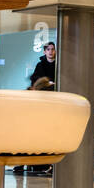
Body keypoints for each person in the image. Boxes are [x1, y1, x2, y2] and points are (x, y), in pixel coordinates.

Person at [16, 42, 58, 176]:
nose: (51, 52)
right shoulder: (40, 66)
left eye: (52, 49)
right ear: (45, 51)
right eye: (48, 49)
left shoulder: (58, 65)